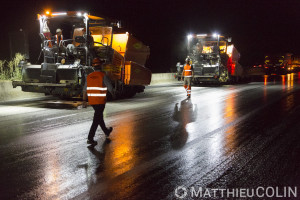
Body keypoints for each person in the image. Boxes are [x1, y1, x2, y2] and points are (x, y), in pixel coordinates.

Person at [83, 58, 114, 145]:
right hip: (100, 101)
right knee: (96, 120)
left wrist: (84, 100)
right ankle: (90, 138)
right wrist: (113, 94)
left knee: (99, 117)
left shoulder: (89, 76)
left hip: (92, 102)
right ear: (101, 65)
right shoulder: (103, 76)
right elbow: (110, 88)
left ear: (93, 66)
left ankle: (106, 131)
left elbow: (84, 89)